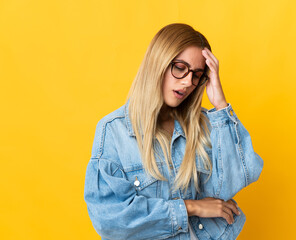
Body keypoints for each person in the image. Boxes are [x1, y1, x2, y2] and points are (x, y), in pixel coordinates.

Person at [84, 23, 264, 240]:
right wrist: (190, 207)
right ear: (158, 62)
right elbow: (110, 219)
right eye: (180, 67)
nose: (189, 82)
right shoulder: (114, 131)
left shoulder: (204, 124)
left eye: (197, 74)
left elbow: (238, 178)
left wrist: (220, 105)